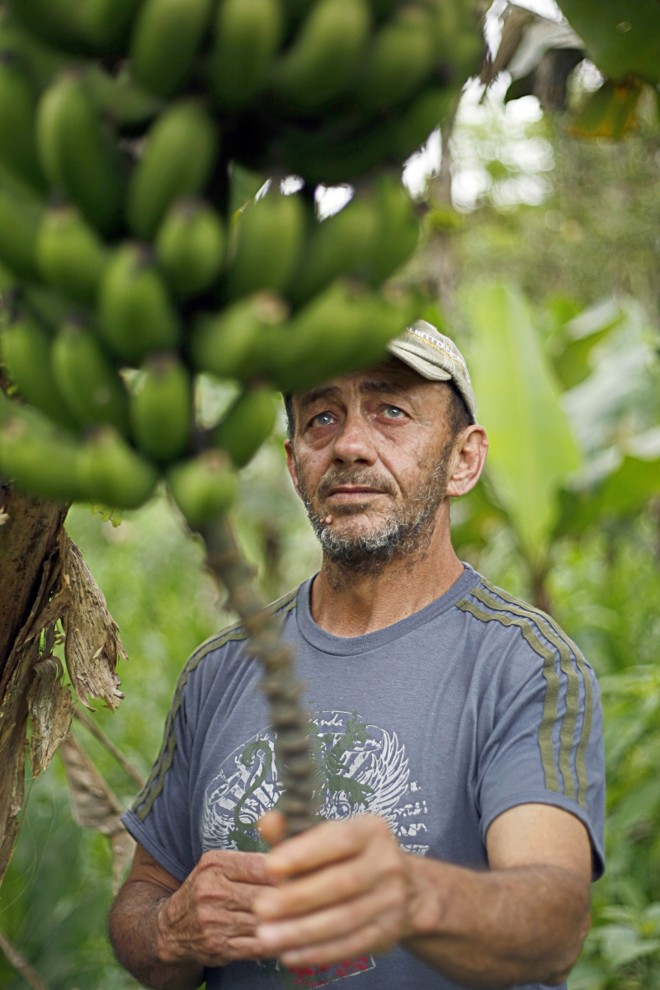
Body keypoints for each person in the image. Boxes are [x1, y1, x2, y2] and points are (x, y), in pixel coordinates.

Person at [109, 320, 605, 990]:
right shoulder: (220, 670)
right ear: (294, 465)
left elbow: (554, 924)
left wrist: (407, 894)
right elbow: (143, 900)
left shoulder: (524, 666)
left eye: (390, 411)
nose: (348, 445)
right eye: (322, 417)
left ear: (463, 460)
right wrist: (172, 928)